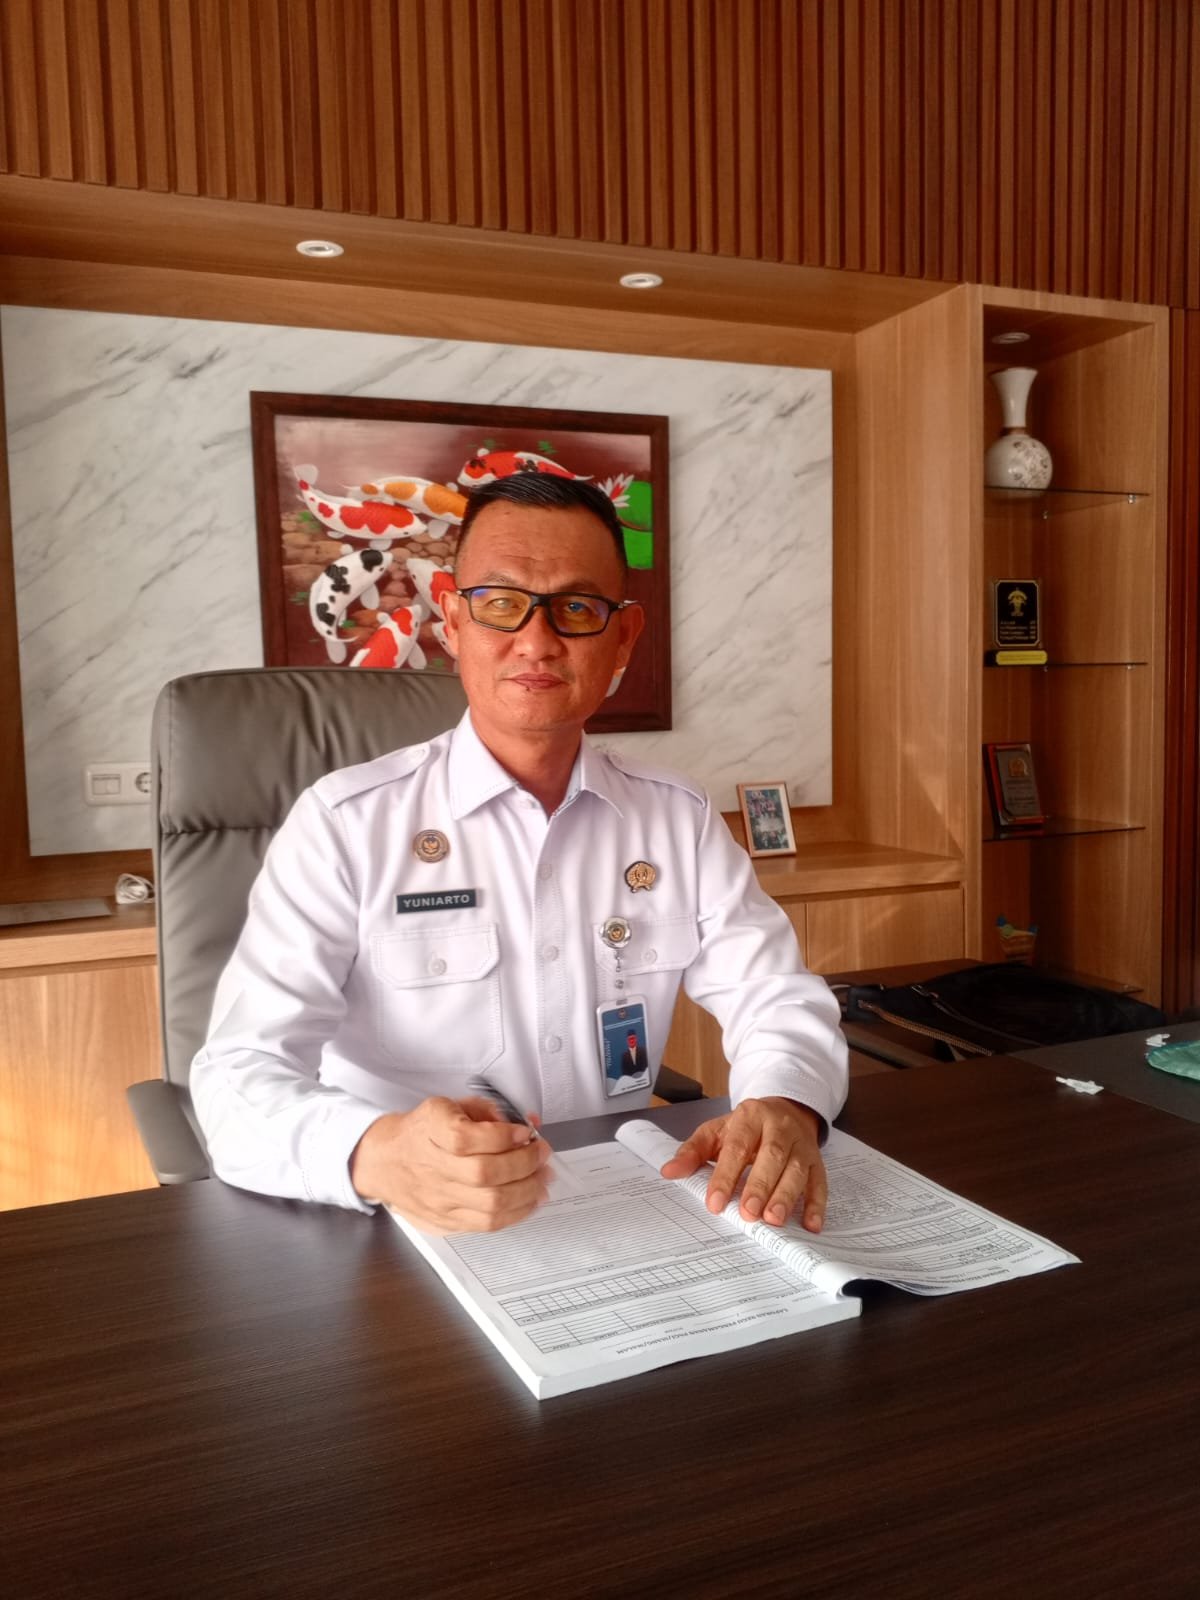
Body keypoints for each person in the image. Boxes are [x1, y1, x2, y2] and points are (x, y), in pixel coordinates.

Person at [191, 474, 848, 1237]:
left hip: (614, 1213)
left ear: (623, 637)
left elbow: (776, 995)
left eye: (577, 608)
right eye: (501, 603)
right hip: (402, 1229)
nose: (536, 641)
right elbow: (236, 1077)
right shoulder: (345, 824)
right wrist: (378, 1154)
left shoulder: (677, 818)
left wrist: (785, 1100)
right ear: (451, 620)